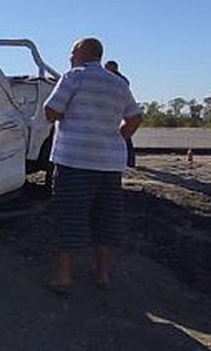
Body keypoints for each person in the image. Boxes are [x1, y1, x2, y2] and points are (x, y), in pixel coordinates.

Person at [43, 38, 142, 291]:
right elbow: (134, 117)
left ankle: (64, 276)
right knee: (105, 218)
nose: (69, 57)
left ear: (80, 53)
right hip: (108, 164)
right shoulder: (118, 83)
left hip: (74, 161)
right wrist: (116, 138)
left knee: (69, 216)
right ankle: (102, 274)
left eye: (71, 51)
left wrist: (70, 116)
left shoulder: (74, 77)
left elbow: (50, 112)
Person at [105, 60, 136, 168]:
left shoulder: (120, 80)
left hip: (119, 110)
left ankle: (130, 161)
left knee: (124, 136)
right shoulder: (111, 79)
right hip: (113, 110)